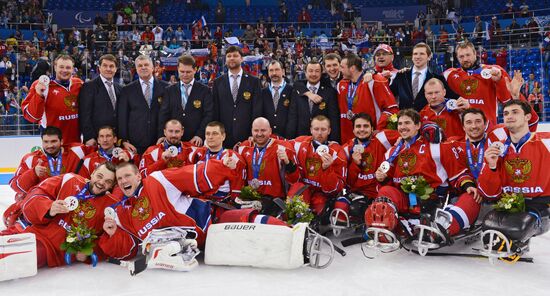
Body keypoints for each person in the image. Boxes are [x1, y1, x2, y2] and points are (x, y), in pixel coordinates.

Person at [367, 109, 480, 248]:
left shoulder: (436, 146)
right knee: (385, 191)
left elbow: (458, 173)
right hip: (406, 202)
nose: (403, 127)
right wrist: (381, 178)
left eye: (407, 123)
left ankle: (440, 228)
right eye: (400, 124)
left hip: (434, 202)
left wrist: (467, 185)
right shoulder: (392, 152)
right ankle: (390, 228)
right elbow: (388, 183)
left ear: (418, 125)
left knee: (472, 196)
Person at [99, 158, 239, 260]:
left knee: (252, 221)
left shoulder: (158, 180)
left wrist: (222, 166)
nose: (123, 181)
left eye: (127, 176)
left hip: (213, 223)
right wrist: (112, 234)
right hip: (203, 251)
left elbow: (191, 175)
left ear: (138, 176)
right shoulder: (125, 214)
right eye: (119, 179)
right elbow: (127, 249)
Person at [2, 162, 117, 269]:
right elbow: (36, 194)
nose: (102, 182)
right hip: (31, 230)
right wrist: (49, 208)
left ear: (112, 186)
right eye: (99, 176)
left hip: (49, 248)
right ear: (92, 173)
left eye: (108, 181)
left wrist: (89, 252)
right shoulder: (69, 179)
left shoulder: (111, 207)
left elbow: (108, 240)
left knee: (12, 259)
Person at [478, 100, 550, 259]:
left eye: (515, 112)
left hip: (540, 204)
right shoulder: (497, 149)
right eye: (506, 113)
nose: (509, 116)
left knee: (519, 226)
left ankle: (520, 240)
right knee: (488, 225)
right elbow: (489, 194)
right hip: (509, 203)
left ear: (527, 117)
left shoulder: (546, 141)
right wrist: (491, 166)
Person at [443, 41, 538, 130]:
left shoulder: (494, 71)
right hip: (462, 131)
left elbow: (507, 100)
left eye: (468, 55)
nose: (465, 59)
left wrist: (499, 81)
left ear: (475, 54)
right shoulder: (449, 75)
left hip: (488, 129)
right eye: (461, 56)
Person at [288, 115, 347, 215]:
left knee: (319, 213)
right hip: (303, 189)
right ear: (311, 130)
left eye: (323, 129)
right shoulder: (299, 143)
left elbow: (334, 190)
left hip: (322, 194)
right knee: (297, 188)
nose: (319, 133)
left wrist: (327, 169)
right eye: (316, 129)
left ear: (329, 131)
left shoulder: (337, 152)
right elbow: (278, 143)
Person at [9, 126, 86, 201]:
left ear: (61, 141)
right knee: (20, 198)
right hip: (43, 201)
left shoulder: (77, 151)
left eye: (53, 141)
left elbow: (96, 153)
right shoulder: (31, 159)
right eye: (46, 142)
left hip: (70, 199)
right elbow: (14, 185)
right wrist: (33, 173)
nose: (50, 145)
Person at [338, 52, 398, 143]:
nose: (339, 69)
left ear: (352, 68)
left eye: (342, 67)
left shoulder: (375, 81)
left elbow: (391, 108)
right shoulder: (342, 84)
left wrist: (379, 129)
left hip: (372, 138)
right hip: (350, 140)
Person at [22, 55, 83, 144]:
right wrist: (39, 95)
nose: (65, 70)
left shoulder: (79, 84)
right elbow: (32, 117)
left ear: (73, 69)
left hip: (76, 144)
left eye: (68, 67)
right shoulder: (42, 86)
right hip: (53, 146)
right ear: (55, 67)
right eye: (61, 67)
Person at [236, 118, 299, 200]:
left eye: (263, 130)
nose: (259, 134)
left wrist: (288, 162)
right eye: (256, 130)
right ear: (251, 131)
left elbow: (295, 179)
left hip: (274, 200)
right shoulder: (243, 147)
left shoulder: (283, 147)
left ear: (270, 131)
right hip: (250, 198)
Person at [212, 46, 262, 148]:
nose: (232, 58)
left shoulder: (254, 82)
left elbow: (257, 110)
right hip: (224, 138)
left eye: (235, 55)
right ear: (225, 59)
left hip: (247, 138)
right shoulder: (218, 82)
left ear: (242, 58)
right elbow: (215, 111)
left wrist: (254, 133)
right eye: (229, 56)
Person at [117, 55, 169, 154]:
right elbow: (122, 117)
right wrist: (124, 140)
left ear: (152, 67)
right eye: (140, 65)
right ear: (136, 69)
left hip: (160, 141)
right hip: (135, 144)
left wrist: (166, 136)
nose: (143, 67)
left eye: (146, 65)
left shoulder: (166, 88)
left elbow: (170, 114)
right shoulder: (127, 90)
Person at [159, 55, 213, 146]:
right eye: (182, 71)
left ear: (195, 70)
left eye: (188, 72)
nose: (185, 75)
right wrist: (162, 134)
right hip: (173, 140)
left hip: (196, 141)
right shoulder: (169, 90)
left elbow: (208, 115)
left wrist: (199, 135)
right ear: (177, 69)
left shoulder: (205, 90)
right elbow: (163, 114)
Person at [391, 43, 459, 111]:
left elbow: (452, 96)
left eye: (422, 54)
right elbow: (389, 95)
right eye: (415, 54)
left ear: (429, 57)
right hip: (405, 119)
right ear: (412, 57)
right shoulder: (401, 75)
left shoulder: (437, 78)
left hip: (427, 119)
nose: (417, 57)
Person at [188, 121, 246, 199]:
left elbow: (237, 189)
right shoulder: (197, 154)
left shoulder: (234, 157)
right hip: (199, 200)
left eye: (214, 133)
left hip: (221, 202)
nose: (210, 137)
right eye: (208, 134)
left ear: (223, 136)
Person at [287, 60, 340, 142]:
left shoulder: (330, 92)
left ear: (321, 73)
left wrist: (334, 141)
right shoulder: (297, 91)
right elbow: (292, 116)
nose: (314, 74)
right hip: (301, 139)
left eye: (317, 71)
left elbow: (333, 118)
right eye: (310, 71)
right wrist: (290, 139)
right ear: (305, 72)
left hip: (322, 140)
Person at [78, 54, 122, 146]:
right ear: (99, 68)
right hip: (97, 139)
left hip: (117, 139)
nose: (108, 69)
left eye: (111, 66)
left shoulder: (120, 88)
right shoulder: (88, 86)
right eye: (105, 66)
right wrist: (89, 136)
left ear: (116, 69)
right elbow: (85, 114)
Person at [260, 60, 294, 139]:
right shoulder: (262, 93)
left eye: (277, 70)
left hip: (288, 138)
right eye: (271, 70)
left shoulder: (292, 90)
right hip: (267, 138)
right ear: (268, 73)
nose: (274, 73)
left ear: (283, 71)